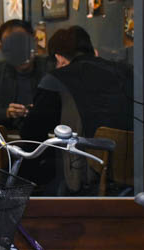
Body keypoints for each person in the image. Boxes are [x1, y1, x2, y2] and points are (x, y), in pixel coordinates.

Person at [16, 25, 133, 192]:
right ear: (93, 51)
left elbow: (31, 133)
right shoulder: (126, 72)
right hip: (132, 170)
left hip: (87, 177)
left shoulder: (57, 79)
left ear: (60, 59)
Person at [0, 19, 49, 130]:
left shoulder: (50, 69)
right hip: (7, 139)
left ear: (34, 42)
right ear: (2, 48)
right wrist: (7, 113)